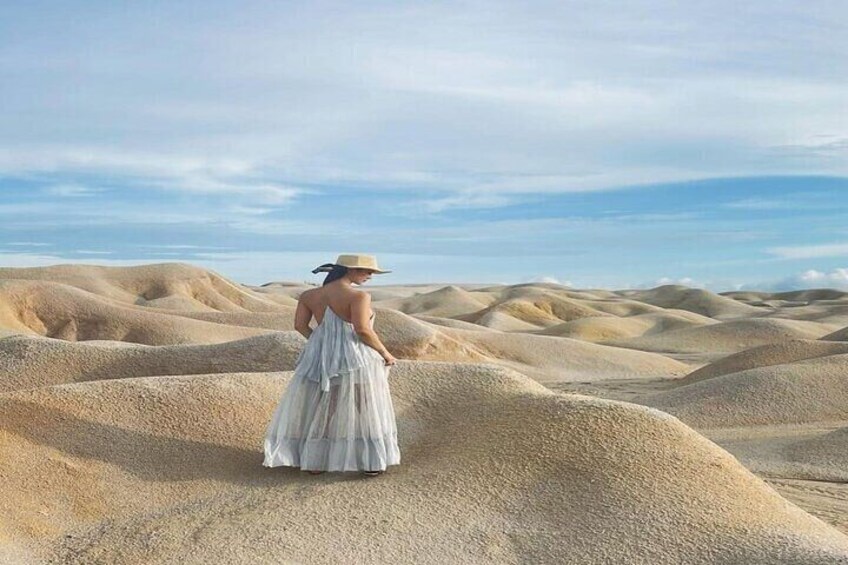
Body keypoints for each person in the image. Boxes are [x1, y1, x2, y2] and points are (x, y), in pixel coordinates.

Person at [263, 254, 401, 477]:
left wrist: (321, 343)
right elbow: (363, 330)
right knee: (365, 404)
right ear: (350, 270)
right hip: (356, 356)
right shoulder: (359, 296)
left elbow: (300, 326)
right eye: (367, 271)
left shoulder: (309, 295)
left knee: (326, 406)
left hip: (320, 356)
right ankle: (371, 462)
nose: (370, 276)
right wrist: (385, 353)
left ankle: (315, 462)